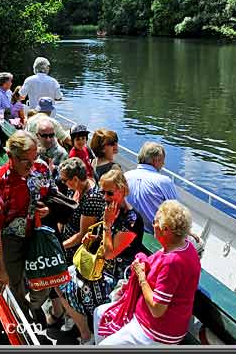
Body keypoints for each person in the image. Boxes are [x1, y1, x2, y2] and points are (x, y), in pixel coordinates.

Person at [56, 168, 145, 345]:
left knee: (73, 286)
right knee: (59, 280)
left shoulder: (132, 220)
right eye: (103, 192)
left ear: (124, 190)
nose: (105, 197)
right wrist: (94, 238)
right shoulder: (111, 209)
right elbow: (104, 242)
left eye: (110, 193)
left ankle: (87, 332)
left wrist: (107, 224)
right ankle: (84, 330)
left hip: (116, 274)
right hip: (100, 266)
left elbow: (110, 253)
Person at [95, 200, 201, 346]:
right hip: (154, 319)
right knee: (99, 313)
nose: (152, 225)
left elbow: (157, 309)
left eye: (155, 221)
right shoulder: (186, 246)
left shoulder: (172, 262)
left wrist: (141, 277)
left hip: (158, 331)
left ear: (166, 230)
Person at [0, 130, 55, 321]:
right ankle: (24, 319)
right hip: (11, 241)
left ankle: (34, 304)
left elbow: (49, 196)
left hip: (37, 234)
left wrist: (47, 209)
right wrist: (0, 269)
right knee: (15, 284)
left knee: (45, 281)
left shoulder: (41, 168)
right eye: (25, 161)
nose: (32, 166)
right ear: (10, 156)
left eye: (35, 158)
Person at [58, 157, 105, 264]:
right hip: (65, 241)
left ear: (75, 179)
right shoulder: (74, 189)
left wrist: (60, 246)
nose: (63, 183)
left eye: (64, 180)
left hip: (75, 252)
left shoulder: (91, 199)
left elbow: (82, 234)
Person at [125, 142, 179, 234]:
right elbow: (176, 212)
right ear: (156, 161)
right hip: (154, 235)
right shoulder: (164, 182)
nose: (163, 164)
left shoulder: (125, 176)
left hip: (128, 230)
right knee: (199, 243)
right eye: (162, 161)